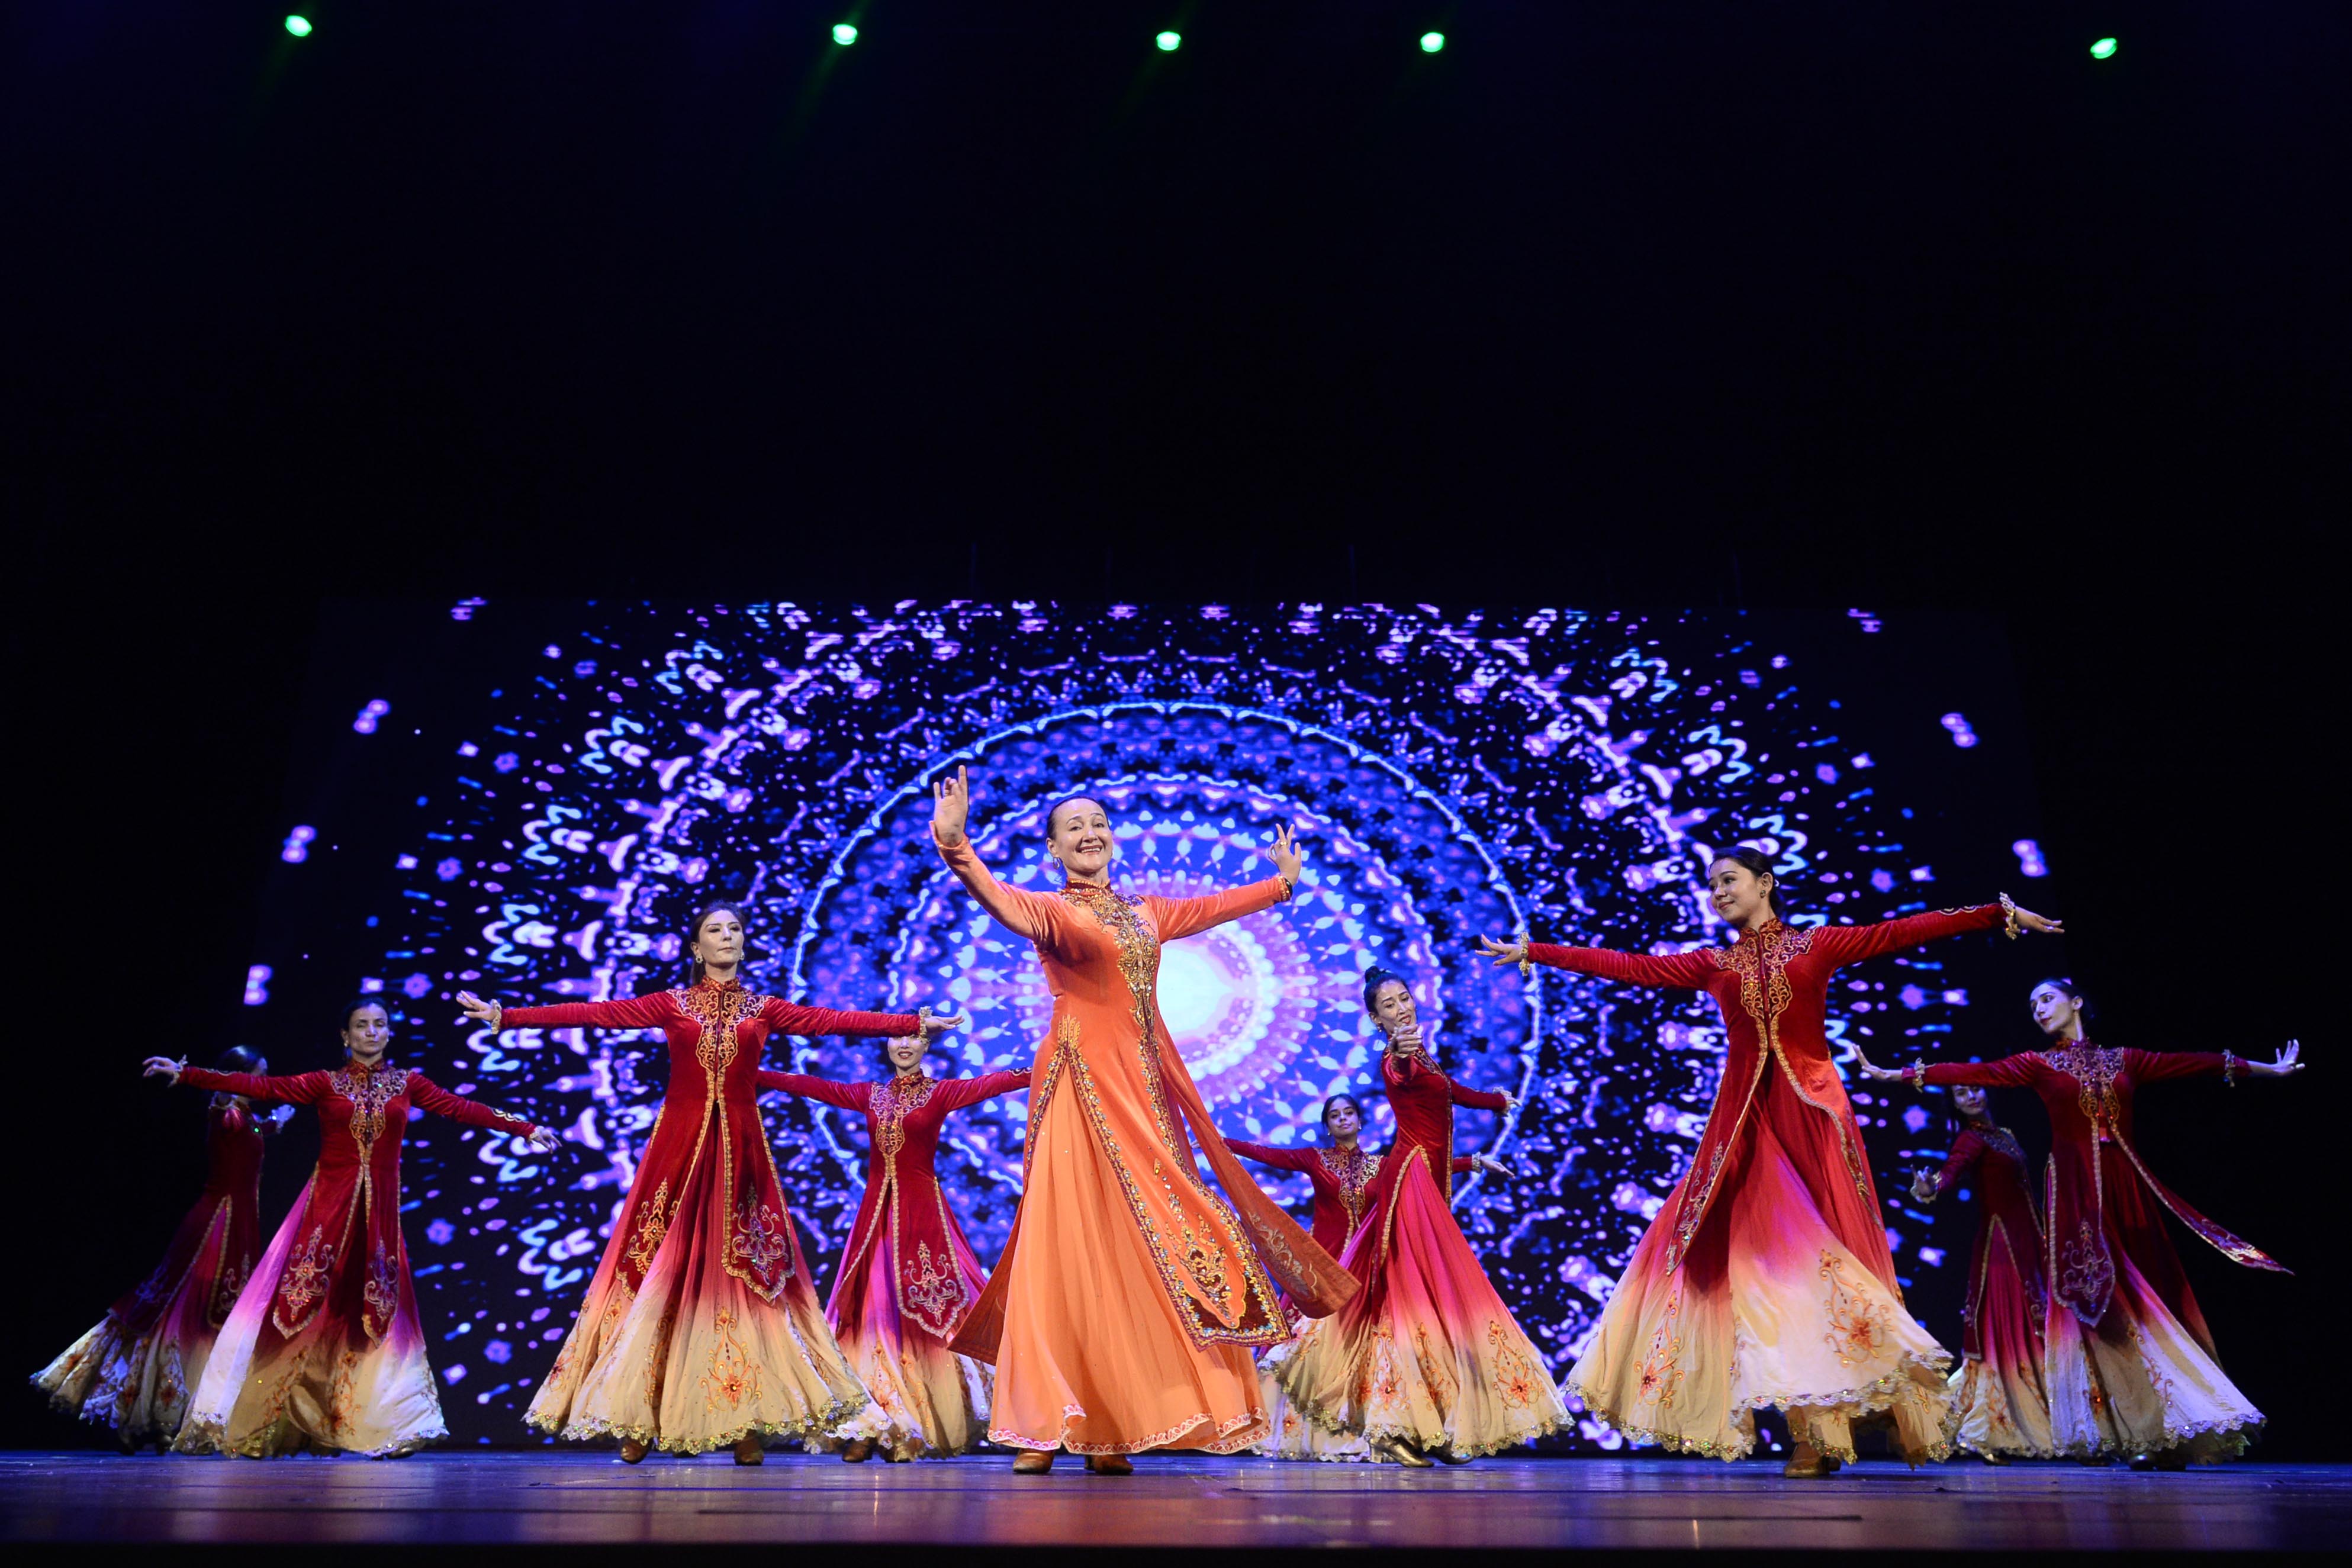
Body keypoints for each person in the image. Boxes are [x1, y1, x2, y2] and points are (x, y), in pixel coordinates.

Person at [1477, 849, 2064, 1475]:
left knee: (1830, 1272)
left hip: (1813, 1122)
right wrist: (1536, 951)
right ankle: (1810, 1435)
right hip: (1746, 1133)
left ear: (1765, 883)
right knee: (1764, 1281)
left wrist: (1993, 913)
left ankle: (1864, 1412)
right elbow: (1632, 967)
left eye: (1728, 881)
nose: (1717, 893)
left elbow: (1900, 931)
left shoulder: (1817, 946)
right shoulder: (1713, 963)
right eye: (1711, 886)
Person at [929, 767, 1356, 1474]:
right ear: (1054, 851)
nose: (1090, 834)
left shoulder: (1145, 910)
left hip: (1144, 1091)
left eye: (1098, 823)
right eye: (1074, 827)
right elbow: (1004, 906)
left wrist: (1281, 886)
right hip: (1080, 1089)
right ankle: (1044, 1422)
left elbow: (1213, 908)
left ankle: (1113, 1419)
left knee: (1149, 1236)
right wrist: (957, 849)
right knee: (1065, 1241)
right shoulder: (1056, 913)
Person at [458, 903, 951, 1464]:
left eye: (734, 929)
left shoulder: (764, 1008)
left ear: (744, 944)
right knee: (659, 1274)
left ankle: (743, 1424)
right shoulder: (671, 1004)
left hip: (740, 1159)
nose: (726, 936)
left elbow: (833, 1019)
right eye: (714, 930)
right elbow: (596, 1013)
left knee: (742, 1284)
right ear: (697, 948)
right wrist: (508, 1017)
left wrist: (910, 1023)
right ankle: (639, 1417)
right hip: (678, 1155)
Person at [1860, 978, 2298, 1466]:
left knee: (2151, 1302)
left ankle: (2171, 1427)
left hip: (2127, 1187)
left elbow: (2189, 1063)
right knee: (2109, 1308)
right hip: (2075, 1197)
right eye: (2031, 1005)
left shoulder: (2126, 1060)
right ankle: (2138, 1430)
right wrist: (1895, 1074)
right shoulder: (2039, 1064)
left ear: (2077, 1002)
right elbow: (1975, 1069)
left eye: (2046, 999)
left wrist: (2265, 1069)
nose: (2038, 1009)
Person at [141, 1003, 556, 1457]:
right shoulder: (325, 1082)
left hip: (377, 1220)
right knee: (300, 1309)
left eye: (379, 1024)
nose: (371, 1032)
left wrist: (523, 1127)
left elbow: (459, 1107)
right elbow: (260, 1085)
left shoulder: (407, 1083)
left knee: (375, 1316)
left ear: (389, 1033)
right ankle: (274, 1416)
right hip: (325, 1215)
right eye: (362, 1025)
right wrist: (189, 1075)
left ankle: (383, 1423)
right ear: (346, 1035)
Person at [1272, 967, 1565, 1466]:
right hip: (1410, 1185)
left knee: (1423, 1302)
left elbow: (1445, 1089)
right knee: (1414, 1301)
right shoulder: (1395, 1060)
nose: (1402, 1008)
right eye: (1389, 1006)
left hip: (1423, 1181)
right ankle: (1394, 1424)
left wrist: (1496, 1102)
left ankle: (1430, 1422)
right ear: (1375, 1018)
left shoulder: (1422, 1056)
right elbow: (1405, 1073)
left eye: (1404, 998)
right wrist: (1403, 1050)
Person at [755, 1033, 1029, 1462]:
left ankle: (916, 1422)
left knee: (933, 1309)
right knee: (872, 1313)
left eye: (915, 1039)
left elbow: (998, 1082)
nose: (905, 1045)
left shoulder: (942, 1092)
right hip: (875, 1217)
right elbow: (814, 1086)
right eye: (898, 1037)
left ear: (926, 1047)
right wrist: (753, 1074)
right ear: (887, 1046)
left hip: (923, 1216)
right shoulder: (870, 1094)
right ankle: (870, 1423)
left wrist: (1050, 1067)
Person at [1226, 1093, 1513, 1461]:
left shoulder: (1381, 1165)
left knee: (1380, 1351)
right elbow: (1265, 1153)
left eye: (1349, 1113)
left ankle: (1394, 1431)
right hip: (1327, 1271)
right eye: (1335, 1115)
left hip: (1373, 1269)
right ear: (1327, 1125)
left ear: (1360, 1121)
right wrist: (1216, 1141)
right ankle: (1331, 1438)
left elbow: (1421, 1167)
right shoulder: (1315, 1159)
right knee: (1314, 1354)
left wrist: (1472, 1162)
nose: (1343, 1119)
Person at [36, 1046, 291, 1451]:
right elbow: (228, 1112)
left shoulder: (246, 1118)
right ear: (238, 1075)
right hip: (214, 1227)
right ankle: (134, 1411)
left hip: (239, 1227)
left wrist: (273, 1125)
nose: (263, 1082)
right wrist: (191, 1073)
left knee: (211, 1322)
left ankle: (170, 1416)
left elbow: (253, 1132)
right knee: (179, 1316)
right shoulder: (225, 1111)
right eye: (258, 1074)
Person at [1907, 1084, 2054, 1461]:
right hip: (2001, 1247)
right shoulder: (1970, 1139)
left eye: (1974, 1088)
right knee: (2007, 1330)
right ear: (1954, 1105)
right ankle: (1993, 1425)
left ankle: (2046, 1414)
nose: (1971, 1096)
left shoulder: (2005, 1135)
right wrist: (1931, 1186)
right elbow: (1951, 1173)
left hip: (2029, 1241)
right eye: (1960, 1094)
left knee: (2040, 1326)